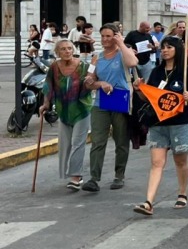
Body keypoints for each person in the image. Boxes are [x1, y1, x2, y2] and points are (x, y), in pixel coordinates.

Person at [132, 36, 188, 216]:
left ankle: (182, 193)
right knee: (156, 162)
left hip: (180, 122)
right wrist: (139, 90)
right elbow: (149, 98)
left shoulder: (187, 72)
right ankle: (149, 201)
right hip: (158, 123)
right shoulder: (156, 72)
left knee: (180, 160)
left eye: (169, 47)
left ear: (177, 50)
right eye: (163, 47)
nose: (164, 50)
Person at [82, 23, 139, 192]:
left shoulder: (123, 54)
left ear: (115, 36)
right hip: (101, 102)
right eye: (103, 36)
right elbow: (89, 81)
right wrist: (98, 83)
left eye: (109, 36)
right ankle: (94, 178)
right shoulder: (96, 57)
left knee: (121, 140)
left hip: (120, 99)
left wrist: (121, 43)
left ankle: (119, 175)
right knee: (98, 141)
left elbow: (133, 62)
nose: (105, 39)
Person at [39, 39, 93, 190]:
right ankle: (70, 173)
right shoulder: (54, 67)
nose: (67, 51)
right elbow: (48, 86)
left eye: (69, 48)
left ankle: (76, 177)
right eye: (63, 49)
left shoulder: (83, 66)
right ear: (57, 52)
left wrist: (92, 83)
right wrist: (45, 104)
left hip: (82, 109)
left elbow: (92, 81)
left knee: (78, 143)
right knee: (65, 144)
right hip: (63, 111)